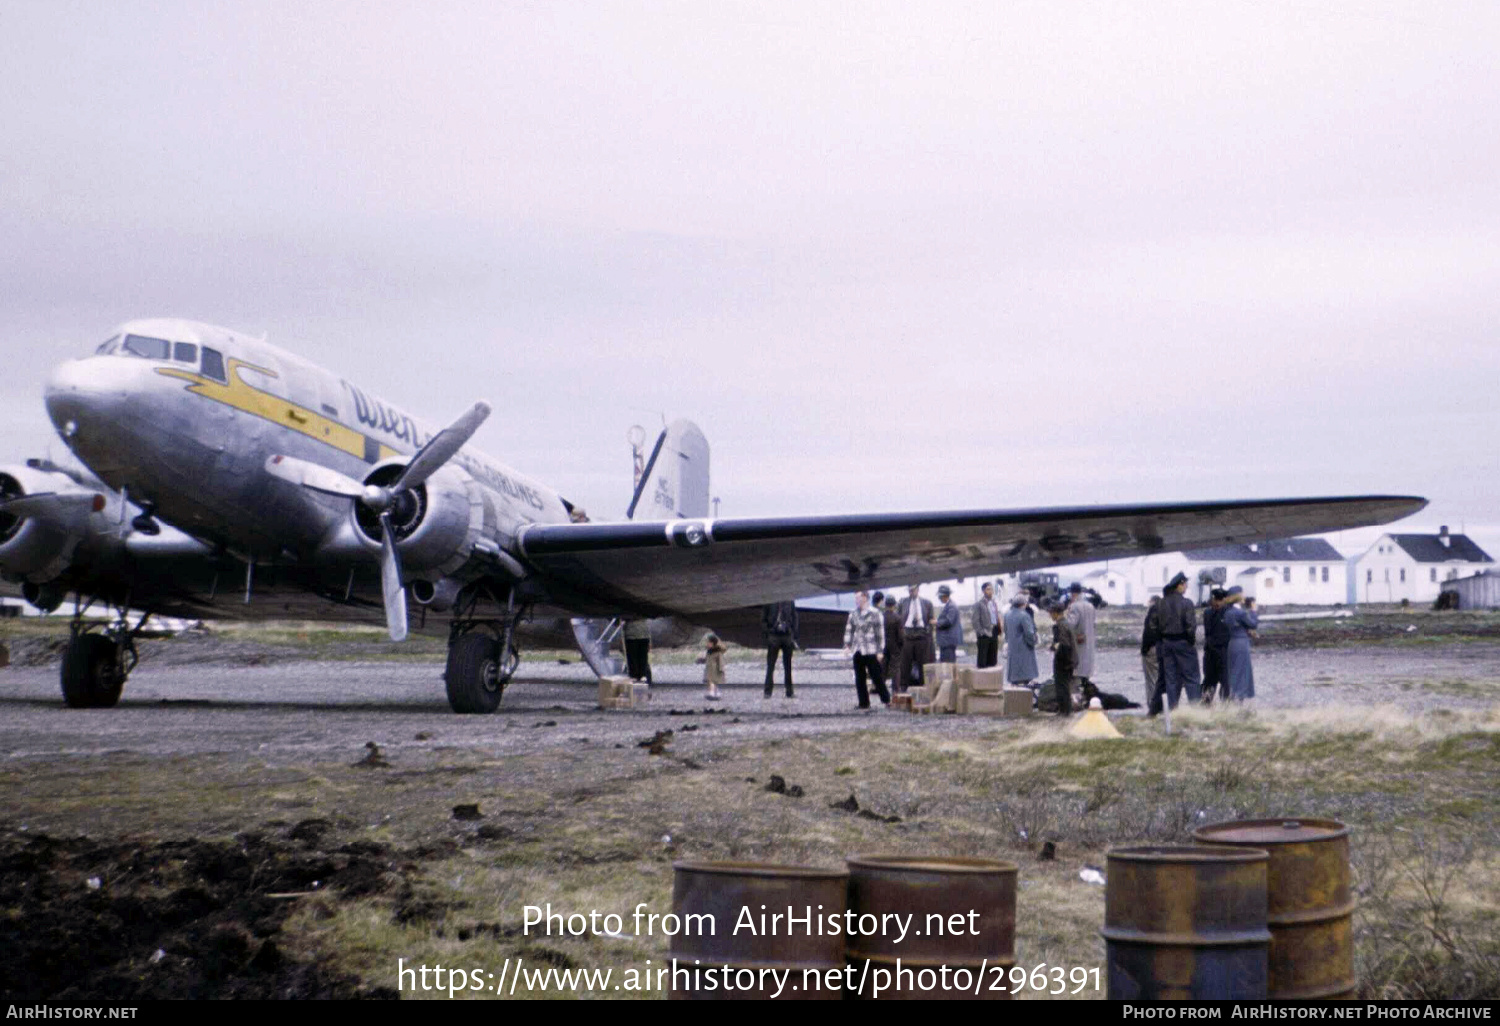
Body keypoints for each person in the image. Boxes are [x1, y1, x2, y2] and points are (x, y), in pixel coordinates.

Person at [1152, 572, 1202, 714]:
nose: (1186, 586)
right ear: (1179, 585)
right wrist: (1190, 641)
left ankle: (1172, 712)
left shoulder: (1161, 603)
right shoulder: (1186, 603)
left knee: (1171, 680)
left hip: (1166, 643)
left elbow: (1155, 625)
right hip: (1183, 642)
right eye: (1185, 583)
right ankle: (1196, 710)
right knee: (1192, 678)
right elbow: (1191, 626)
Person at [842, 589, 890, 709]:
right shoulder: (853, 613)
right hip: (858, 649)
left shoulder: (875, 613)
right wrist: (847, 645)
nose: (856, 600)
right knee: (859, 677)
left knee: (876, 676)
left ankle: (886, 699)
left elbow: (880, 633)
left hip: (871, 649)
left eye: (858, 598)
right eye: (855, 598)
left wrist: (880, 651)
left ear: (865, 597)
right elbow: (849, 630)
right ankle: (863, 702)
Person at [895, 584, 934, 693]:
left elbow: (931, 620)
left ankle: (923, 686)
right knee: (905, 663)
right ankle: (903, 687)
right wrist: (901, 633)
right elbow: (898, 619)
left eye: (913, 590)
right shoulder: (903, 603)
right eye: (910, 591)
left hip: (922, 635)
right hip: (907, 635)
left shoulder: (927, 603)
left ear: (918, 590)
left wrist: (928, 633)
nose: (911, 592)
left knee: (923, 662)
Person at [1222, 587, 1259, 700]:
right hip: (1242, 644)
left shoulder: (1228, 612)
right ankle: (1240, 698)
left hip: (1232, 643)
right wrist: (1253, 611)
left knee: (1234, 672)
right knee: (1243, 671)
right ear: (1238, 596)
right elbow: (1253, 624)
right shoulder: (1240, 613)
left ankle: (1233, 697)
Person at [1064, 582, 1097, 696]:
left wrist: (1066, 614)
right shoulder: (1090, 606)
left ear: (1072, 593)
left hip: (1078, 643)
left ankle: (1076, 696)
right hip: (1089, 642)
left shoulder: (1074, 606)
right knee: (1086, 671)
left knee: (1077, 671)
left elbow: (1070, 624)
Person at [762, 600, 798, 698]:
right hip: (773, 636)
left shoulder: (789, 601)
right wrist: (768, 632)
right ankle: (767, 692)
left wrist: (793, 633)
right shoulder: (770, 601)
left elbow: (794, 616)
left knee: (788, 666)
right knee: (770, 666)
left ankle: (789, 691)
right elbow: (763, 618)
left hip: (787, 636)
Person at [1047, 600, 1077, 716]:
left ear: (1056, 613)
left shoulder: (1061, 626)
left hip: (1064, 660)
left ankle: (1064, 711)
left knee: (1061, 687)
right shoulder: (1066, 623)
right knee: (1064, 686)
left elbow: (1064, 644)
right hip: (1069, 659)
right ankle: (1066, 710)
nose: (1050, 615)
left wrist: (1060, 658)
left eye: (1050, 613)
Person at [1002, 593, 1039, 687]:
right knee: (1025, 672)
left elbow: (1006, 631)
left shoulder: (1007, 615)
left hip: (1012, 646)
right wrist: (1033, 642)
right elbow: (1029, 633)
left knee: (1014, 673)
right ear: (1024, 604)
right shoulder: (1024, 615)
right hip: (1024, 647)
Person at [1201, 588, 1230, 704]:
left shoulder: (1226, 613)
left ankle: (1224, 705)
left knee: (1224, 682)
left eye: (1219, 600)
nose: (1217, 603)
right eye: (1216, 600)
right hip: (1212, 652)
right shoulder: (1209, 613)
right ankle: (1207, 705)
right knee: (1210, 681)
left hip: (1222, 651)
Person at [972, 582, 1002, 669]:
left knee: (993, 658)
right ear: (983, 591)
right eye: (988, 589)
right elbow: (975, 621)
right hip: (984, 633)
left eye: (991, 589)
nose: (990, 591)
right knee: (983, 660)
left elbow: (996, 615)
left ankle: (992, 678)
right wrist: (981, 632)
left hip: (994, 631)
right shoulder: (979, 604)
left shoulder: (993, 603)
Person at [1141, 595, 1162, 711]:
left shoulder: (1153, 612)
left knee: (1151, 679)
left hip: (1151, 649)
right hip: (1161, 648)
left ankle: (1153, 705)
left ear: (1153, 602)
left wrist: (1146, 649)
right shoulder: (1164, 612)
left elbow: (1149, 632)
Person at [934, 585, 962, 663]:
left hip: (948, 641)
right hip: (946, 642)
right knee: (947, 663)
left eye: (940, 597)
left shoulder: (951, 606)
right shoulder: (949, 605)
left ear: (944, 596)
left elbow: (949, 621)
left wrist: (936, 622)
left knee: (948, 664)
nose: (939, 598)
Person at [881, 595, 902, 690]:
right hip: (895, 646)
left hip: (883, 646)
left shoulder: (881, 617)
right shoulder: (897, 618)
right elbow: (900, 635)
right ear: (894, 605)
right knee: (896, 668)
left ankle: (880, 687)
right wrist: (901, 645)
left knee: (883, 667)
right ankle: (895, 689)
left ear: (885, 605)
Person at [622, 618, 652, 684]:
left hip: (631, 635)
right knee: (643, 657)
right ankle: (643, 675)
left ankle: (634, 676)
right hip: (644, 634)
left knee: (632, 657)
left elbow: (618, 620)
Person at [703, 633, 726, 701]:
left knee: (711, 682)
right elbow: (707, 659)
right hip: (709, 668)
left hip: (714, 669)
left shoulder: (717, 652)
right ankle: (717, 693)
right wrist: (701, 660)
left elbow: (721, 661)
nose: (707, 644)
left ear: (713, 643)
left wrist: (721, 669)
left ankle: (712, 693)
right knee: (712, 682)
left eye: (708, 642)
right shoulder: (709, 651)